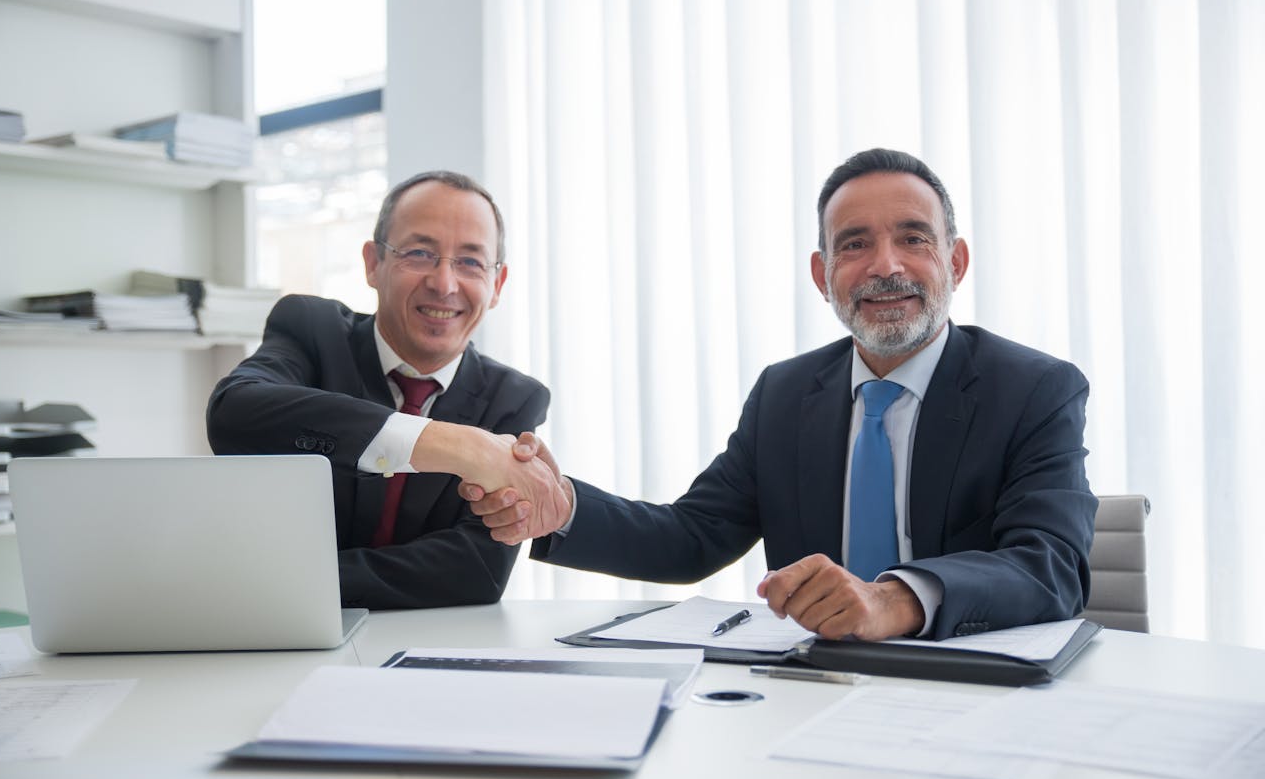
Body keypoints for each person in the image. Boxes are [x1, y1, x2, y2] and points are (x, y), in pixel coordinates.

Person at [464, 148, 1096, 641]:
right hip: (815, 693)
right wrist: (565, 506)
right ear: (823, 276)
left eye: (913, 238)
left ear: (954, 263)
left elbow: (1049, 565)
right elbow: (692, 537)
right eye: (854, 244)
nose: (885, 266)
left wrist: (895, 599)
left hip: (977, 696)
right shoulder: (787, 394)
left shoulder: (1034, 389)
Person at [207, 170, 566, 610]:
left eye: (471, 262)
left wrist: (287, 582)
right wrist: (453, 444)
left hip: (405, 643)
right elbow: (234, 411)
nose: (444, 284)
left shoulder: (514, 399)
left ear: (497, 285)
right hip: (277, 635)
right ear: (372, 263)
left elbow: (477, 568)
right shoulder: (311, 330)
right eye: (419, 253)